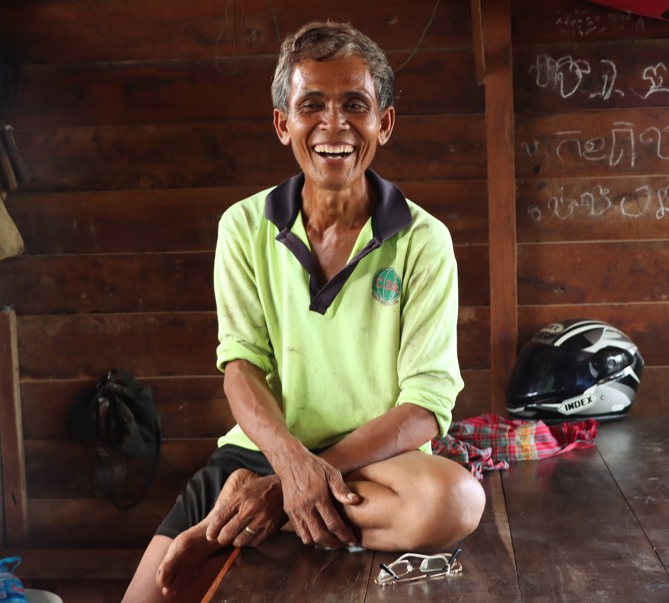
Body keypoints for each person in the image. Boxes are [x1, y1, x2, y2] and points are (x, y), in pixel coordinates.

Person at [123, 20, 485, 602]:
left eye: (355, 105)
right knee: (148, 597)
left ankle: (251, 520)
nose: (333, 125)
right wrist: (287, 466)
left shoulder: (424, 239)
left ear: (384, 123)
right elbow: (239, 367)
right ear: (282, 123)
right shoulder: (244, 226)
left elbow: (426, 406)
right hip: (262, 452)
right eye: (311, 104)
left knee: (457, 500)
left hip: (376, 462)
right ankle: (249, 506)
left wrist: (288, 488)